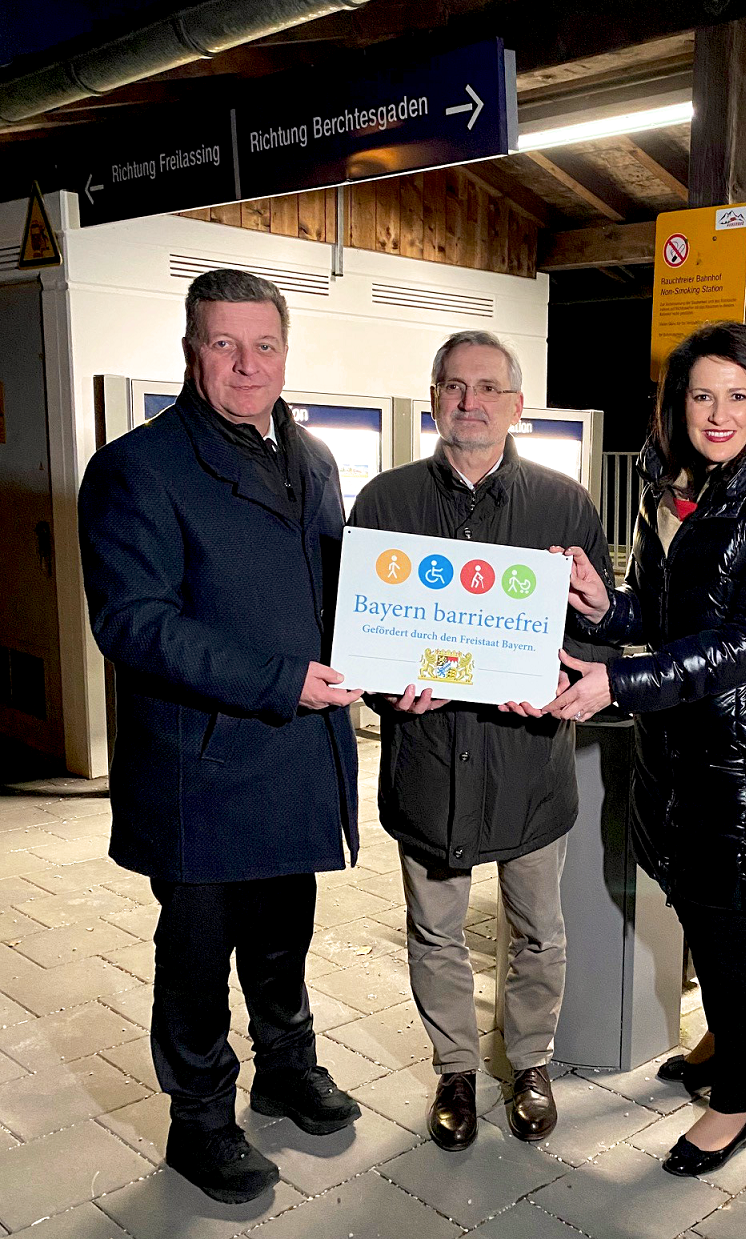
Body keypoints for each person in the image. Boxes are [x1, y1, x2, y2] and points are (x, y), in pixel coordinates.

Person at [77, 269, 363, 1206]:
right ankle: (200, 1118)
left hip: (297, 752)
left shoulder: (314, 459)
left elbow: (335, 592)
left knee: (285, 930)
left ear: (287, 352)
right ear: (192, 352)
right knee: (198, 950)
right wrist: (283, 679)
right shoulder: (137, 467)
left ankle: (286, 1064)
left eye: (265, 345)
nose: (247, 365)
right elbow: (134, 621)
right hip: (203, 760)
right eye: (224, 345)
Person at [546, 321, 746, 1177]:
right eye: (700, 395)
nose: (717, 413)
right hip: (681, 752)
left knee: (734, 937)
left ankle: (738, 1098)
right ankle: (721, 1043)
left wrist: (617, 683)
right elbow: (664, 614)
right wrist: (605, 608)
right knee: (702, 917)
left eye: (737, 396)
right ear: (676, 406)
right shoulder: (685, 494)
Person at [347, 330, 614, 1151]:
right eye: (455, 387)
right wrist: (394, 688)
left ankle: (528, 1062)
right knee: (435, 930)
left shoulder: (566, 506)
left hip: (529, 765)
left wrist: (579, 671)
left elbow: (598, 634)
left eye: (489, 387)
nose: (471, 402)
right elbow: (361, 636)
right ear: (434, 399)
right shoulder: (382, 504)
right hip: (428, 762)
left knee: (539, 930)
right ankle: (456, 1068)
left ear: (516, 405)